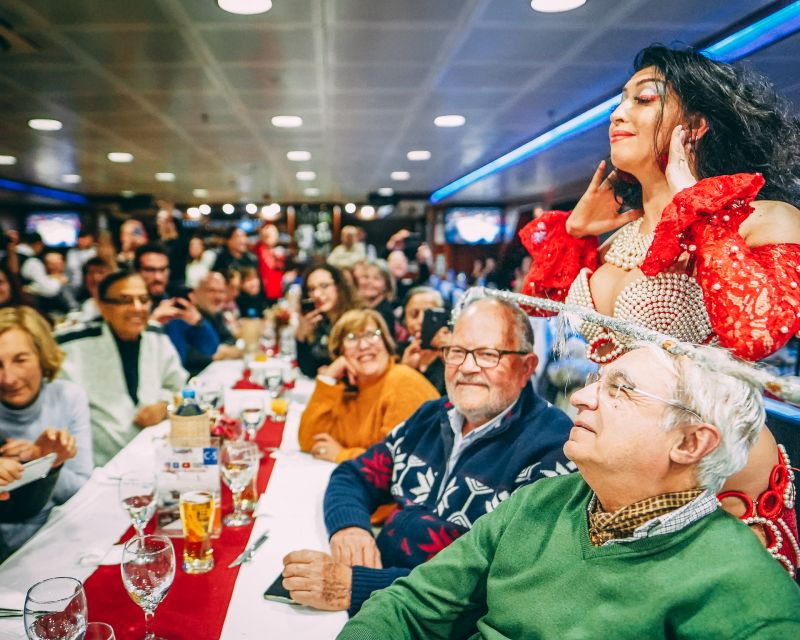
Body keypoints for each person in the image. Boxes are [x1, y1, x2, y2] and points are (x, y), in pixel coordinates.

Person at [341, 346, 800, 639]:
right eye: (597, 379)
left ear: (688, 443)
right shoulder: (542, 500)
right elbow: (410, 605)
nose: (582, 396)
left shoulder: (749, 597)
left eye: (620, 389)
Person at [282, 296, 573, 615]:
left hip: (428, 621)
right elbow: (353, 475)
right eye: (457, 352)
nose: (467, 367)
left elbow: (499, 582)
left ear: (526, 367)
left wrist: (358, 586)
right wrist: (350, 527)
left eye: (488, 355)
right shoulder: (433, 416)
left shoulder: (553, 446)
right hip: (380, 600)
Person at [520, 44, 800, 364]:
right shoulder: (618, 242)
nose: (617, 114)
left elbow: (755, 334)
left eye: (643, 99)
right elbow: (539, 307)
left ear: (694, 126)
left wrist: (696, 209)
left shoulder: (766, 219)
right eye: (621, 101)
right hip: (600, 409)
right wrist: (575, 232)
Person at [56, 271, 187, 466]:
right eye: (125, 300)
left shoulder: (156, 338)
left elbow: (178, 386)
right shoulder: (72, 346)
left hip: (156, 455)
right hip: (97, 464)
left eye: (143, 300)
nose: (137, 308)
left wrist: (164, 405)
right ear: (102, 306)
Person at [0, 306, 89, 553]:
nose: (9, 378)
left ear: (42, 356)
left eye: (20, 360)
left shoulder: (67, 396)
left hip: (62, 534)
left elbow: (83, 491)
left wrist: (47, 461)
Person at [298, 309, 438, 464]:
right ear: (340, 352)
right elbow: (309, 441)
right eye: (351, 338)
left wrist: (342, 455)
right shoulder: (349, 389)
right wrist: (328, 378)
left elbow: (397, 462)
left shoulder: (403, 382)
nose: (363, 345)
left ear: (385, 342)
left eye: (372, 334)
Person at [134, 244, 219, 367]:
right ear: (137, 272)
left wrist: (198, 322)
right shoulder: (128, 308)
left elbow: (210, 348)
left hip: (175, 382)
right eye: (150, 270)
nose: (158, 277)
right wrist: (153, 323)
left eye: (162, 270)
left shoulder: (175, 306)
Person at [295, 264, 360, 378]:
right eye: (311, 289)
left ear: (339, 287)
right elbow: (308, 370)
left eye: (324, 286)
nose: (317, 294)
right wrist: (302, 336)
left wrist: (333, 371)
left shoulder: (356, 321)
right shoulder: (321, 321)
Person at [182, 272, 243, 376]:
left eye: (221, 291)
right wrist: (215, 357)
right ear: (194, 293)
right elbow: (185, 357)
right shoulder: (184, 315)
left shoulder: (214, 313)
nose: (218, 297)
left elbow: (229, 339)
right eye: (211, 290)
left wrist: (223, 351)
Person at [399, 287, 448, 395]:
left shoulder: (455, 352)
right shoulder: (396, 353)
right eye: (414, 314)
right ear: (405, 320)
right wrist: (404, 370)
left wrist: (451, 360)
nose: (421, 321)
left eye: (428, 314)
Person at [356, 260, 397, 339]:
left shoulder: (385, 314)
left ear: (386, 284)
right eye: (365, 277)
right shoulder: (357, 309)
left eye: (376, 278)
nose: (369, 282)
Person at [255, 223, 285, 306]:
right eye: (267, 235)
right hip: (263, 293)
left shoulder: (277, 253)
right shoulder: (258, 250)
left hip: (276, 292)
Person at [76, 257, 113, 323]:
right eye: (91, 273)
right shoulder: (86, 304)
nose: (95, 278)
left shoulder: (117, 303)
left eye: (101, 272)